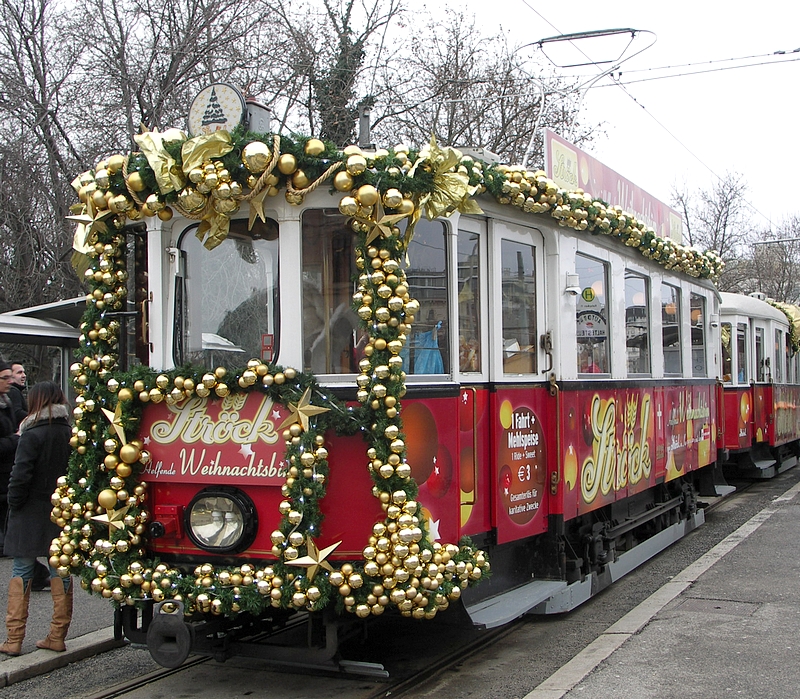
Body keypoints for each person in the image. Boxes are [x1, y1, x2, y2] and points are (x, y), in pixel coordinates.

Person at [0, 381, 72, 656]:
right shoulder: (67, 431)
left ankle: (14, 639)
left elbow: (20, 475)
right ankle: (57, 635)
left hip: (29, 511)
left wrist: (13, 504)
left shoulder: (31, 433)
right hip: (58, 511)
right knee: (59, 571)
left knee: (21, 571)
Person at [0, 360, 20, 557]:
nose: (10, 382)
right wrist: (15, 439)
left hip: (7, 470)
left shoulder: (7, 402)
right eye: (5, 378)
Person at [8, 361, 28, 428]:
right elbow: (18, 413)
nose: (24, 376)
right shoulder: (13, 391)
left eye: (23, 372)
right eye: (19, 372)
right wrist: (34, 417)